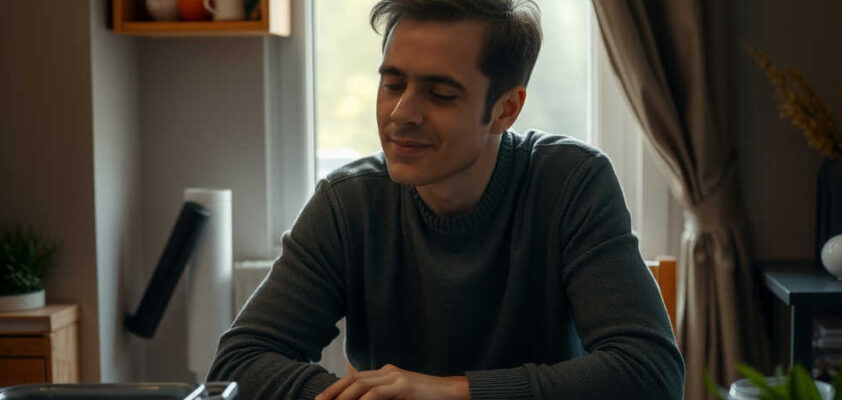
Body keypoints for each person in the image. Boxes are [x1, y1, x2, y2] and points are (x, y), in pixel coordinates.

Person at [208, 0, 686, 398]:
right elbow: (238, 365)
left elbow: (651, 372)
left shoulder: (571, 183)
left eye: (439, 94)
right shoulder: (348, 203)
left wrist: (455, 392)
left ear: (505, 109)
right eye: (393, 84)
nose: (401, 114)